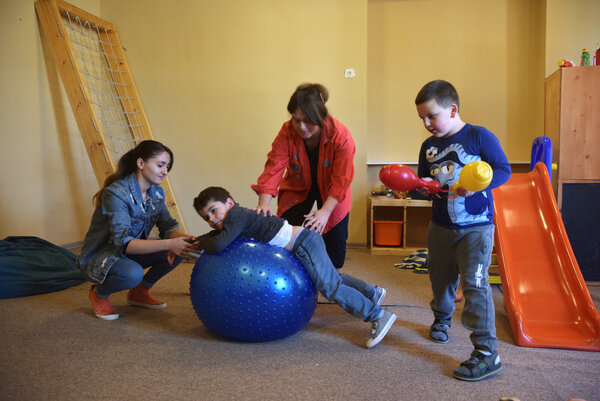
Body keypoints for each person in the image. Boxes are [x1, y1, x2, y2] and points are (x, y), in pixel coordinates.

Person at [192, 186, 397, 348]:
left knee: (330, 287)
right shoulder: (236, 217)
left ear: (229, 202)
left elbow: (218, 243)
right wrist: (196, 239)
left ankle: (377, 315)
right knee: (332, 278)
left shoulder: (236, 216)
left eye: (214, 210)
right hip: (305, 241)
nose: (212, 219)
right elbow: (216, 236)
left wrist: (201, 243)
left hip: (302, 244)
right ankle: (372, 292)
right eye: (206, 218)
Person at [414, 80, 511, 381]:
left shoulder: (479, 136)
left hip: (476, 229)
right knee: (440, 279)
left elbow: (503, 170)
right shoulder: (428, 146)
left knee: (476, 286)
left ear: (452, 109)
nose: (427, 124)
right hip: (440, 227)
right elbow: (421, 183)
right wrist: (420, 189)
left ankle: (486, 353)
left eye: (432, 116)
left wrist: (476, 185)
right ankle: (442, 319)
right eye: (422, 119)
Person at [78, 140, 195, 320]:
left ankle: (139, 292)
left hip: (128, 251)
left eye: (167, 166)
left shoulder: (156, 192)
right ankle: (99, 293)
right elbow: (124, 244)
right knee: (133, 273)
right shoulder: (116, 193)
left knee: (180, 249)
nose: (165, 171)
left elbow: (168, 226)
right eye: (160, 165)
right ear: (141, 163)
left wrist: (188, 240)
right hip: (103, 255)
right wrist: (172, 242)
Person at [252, 83, 355, 270]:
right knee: (283, 234)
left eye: (307, 120)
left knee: (336, 250)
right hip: (299, 186)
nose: (301, 127)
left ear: (321, 117)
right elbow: (274, 167)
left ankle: (332, 281)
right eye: (295, 119)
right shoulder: (287, 131)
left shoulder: (341, 136)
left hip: (333, 192)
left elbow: (342, 179)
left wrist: (325, 212)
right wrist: (263, 203)